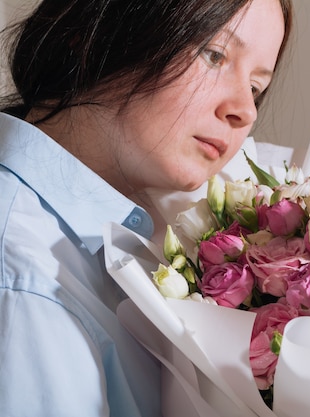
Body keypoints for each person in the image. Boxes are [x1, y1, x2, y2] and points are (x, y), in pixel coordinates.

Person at [0, 0, 292, 415]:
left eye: (256, 88)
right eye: (214, 55)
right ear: (96, 30)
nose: (244, 111)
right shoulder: (27, 283)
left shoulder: (147, 235)